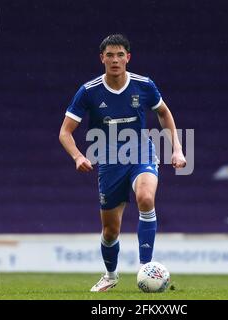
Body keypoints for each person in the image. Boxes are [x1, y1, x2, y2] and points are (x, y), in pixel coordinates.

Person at [59, 34, 186, 292]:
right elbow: (65, 132)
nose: (115, 60)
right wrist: (78, 156)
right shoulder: (89, 91)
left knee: (146, 199)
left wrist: (178, 149)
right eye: (110, 55)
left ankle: (146, 268)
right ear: (102, 59)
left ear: (128, 58)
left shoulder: (144, 85)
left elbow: (163, 112)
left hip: (141, 153)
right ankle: (110, 274)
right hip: (108, 161)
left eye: (120, 55)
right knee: (109, 231)